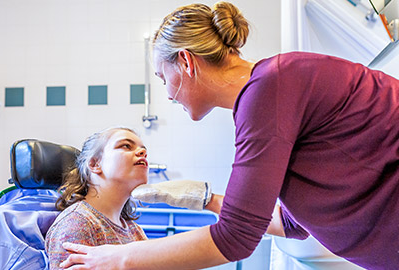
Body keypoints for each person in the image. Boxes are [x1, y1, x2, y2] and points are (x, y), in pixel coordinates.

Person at [59, 1, 399, 269]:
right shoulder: (271, 89)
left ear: (187, 63)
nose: (167, 95)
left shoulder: (270, 90)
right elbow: (294, 224)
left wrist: (118, 258)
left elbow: (236, 237)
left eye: (164, 78)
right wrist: (206, 200)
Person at [45, 127, 149, 269]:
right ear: (94, 164)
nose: (143, 152)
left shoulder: (133, 230)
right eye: (126, 146)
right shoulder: (77, 223)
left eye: (144, 150)